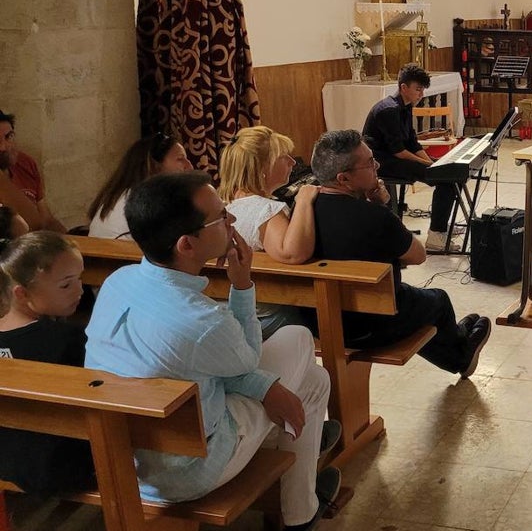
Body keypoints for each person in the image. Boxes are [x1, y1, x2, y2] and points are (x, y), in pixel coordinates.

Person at [85, 173, 340, 531]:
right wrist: (242, 284)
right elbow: (246, 359)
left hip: (126, 459)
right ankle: (298, 511)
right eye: (222, 216)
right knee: (298, 338)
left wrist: (265, 386)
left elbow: (220, 362)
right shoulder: (202, 321)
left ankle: (301, 506)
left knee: (313, 380)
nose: (232, 221)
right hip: (190, 469)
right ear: (187, 245)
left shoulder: (117, 282)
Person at [309, 130, 491, 378]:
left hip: (320, 322)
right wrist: (383, 206)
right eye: (369, 164)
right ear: (344, 179)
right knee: (438, 300)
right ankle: (461, 356)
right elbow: (417, 256)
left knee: (419, 302)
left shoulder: (303, 213)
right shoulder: (375, 216)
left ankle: (460, 344)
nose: (377, 166)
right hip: (371, 325)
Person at [0, 232, 96, 495]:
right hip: (63, 468)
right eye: (65, 285)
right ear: (21, 293)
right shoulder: (67, 340)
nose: (79, 290)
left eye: (80, 279)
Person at [218, 126, 316, 338]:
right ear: (262, 166)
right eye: (284, 157)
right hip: (264, 315)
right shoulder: (266, 210)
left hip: (222, 309)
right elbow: (291, 253)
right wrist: (304, 200)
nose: (293, 162)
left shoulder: (222, 204)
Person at [363, 64, 462, 252]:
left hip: (394, 157)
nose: (421, 95)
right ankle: (436, 237)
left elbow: (412, 144)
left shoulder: (405, 106)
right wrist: (430, 166)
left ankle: (440, 226)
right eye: (418, 89)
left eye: (423, 90)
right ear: (403, 87)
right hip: (379, 163)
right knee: (446, 179)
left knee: (445, 171)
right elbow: (399, 151)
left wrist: (434, 164)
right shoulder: (388, 110)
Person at [88, 132, 194, 239]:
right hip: (128, 255)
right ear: (154, 165)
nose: (189, 166)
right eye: (180, 159)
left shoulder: (117, 196)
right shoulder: (149, 202)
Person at [0, 109, 65, 232]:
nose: (4, 147)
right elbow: (32, 225)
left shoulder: (25, 163)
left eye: (8, 137)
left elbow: (46, 220)